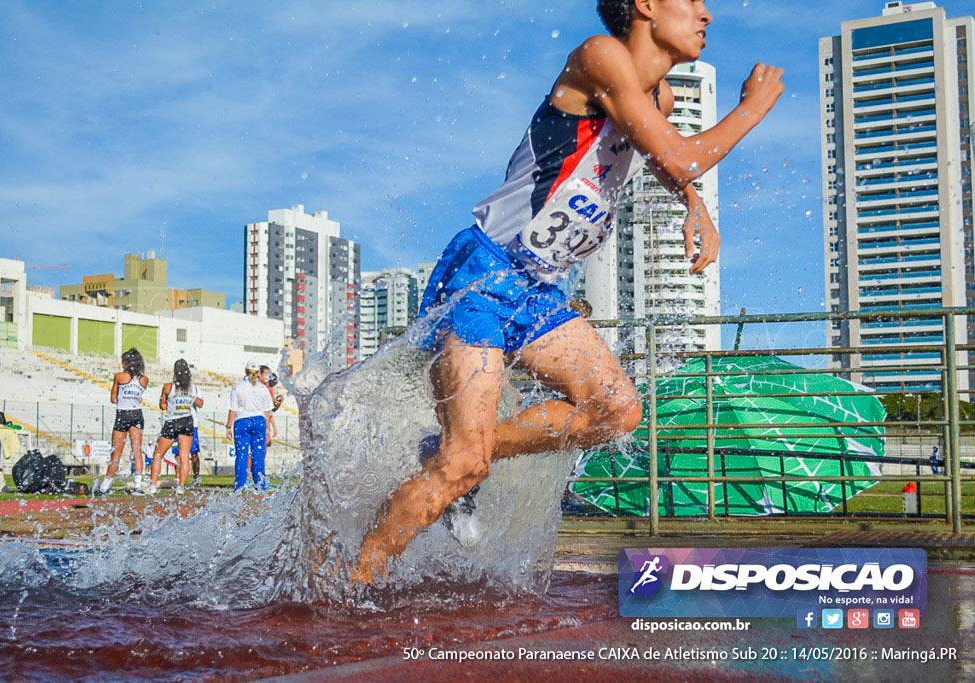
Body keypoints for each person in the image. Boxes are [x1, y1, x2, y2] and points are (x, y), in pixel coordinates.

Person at [350, 0, 784, 582]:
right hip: (484, 274)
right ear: (647, 7)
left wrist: (696, 207)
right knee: (463, 464)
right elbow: (681, 156)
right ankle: (349, 583)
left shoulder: (661, 99)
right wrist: (751, 109)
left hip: (539, 290)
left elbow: (664, 162)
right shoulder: (599, 55)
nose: (706, 12)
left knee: (616, 411)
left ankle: (460, 452)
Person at [147, 359, 204, 495]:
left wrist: (168, 402)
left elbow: (163, 405)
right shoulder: (193, 388)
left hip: (172, 421)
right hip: (187, 421)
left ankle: (153, 486)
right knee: (185, 456)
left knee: (158, 454)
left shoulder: (168, 387)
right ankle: (181, 487)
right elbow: (200, 403)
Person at [98, 348, 149, 495]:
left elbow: (113, 398)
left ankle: (104, 487)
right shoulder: (144, 379)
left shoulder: (119, 376)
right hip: (137, 414)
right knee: (137, 451)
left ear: (127, 362)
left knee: (116, 453)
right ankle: (137, 486)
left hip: (123, 414)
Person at [226, 361, 275, 491]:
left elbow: (233, 409)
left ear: (245, 371)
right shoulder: (263, 388)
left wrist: (228, 426)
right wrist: (268, 429)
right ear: (258, 373)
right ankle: (260, 485)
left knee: (241, 455)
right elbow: (267, 411)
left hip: (241, 421)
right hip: (259, 421)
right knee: (258, 455)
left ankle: (239, 485)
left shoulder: (237, 387)